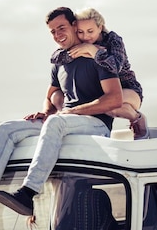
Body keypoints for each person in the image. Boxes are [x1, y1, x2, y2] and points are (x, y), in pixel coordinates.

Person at [0, 7, 123, 216]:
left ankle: (28, 193)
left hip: (95, 124)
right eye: (52, 31)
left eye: (61, 27)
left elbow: (115, 99)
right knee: (6, 129)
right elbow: (49, 95)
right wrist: (45, 111)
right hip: (65, 121)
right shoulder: (59, 62)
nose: (57, 34)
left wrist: (74, 112)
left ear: (74, 25)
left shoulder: (99, 56)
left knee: (55, 122)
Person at [49, 7, 148, 139]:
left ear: (100, 27)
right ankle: (66, 115)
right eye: (80, 32)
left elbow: (115, 66)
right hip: (103, 90)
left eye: (90, 31)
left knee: (110, 107)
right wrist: (84, 51)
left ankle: (137, 118)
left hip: (127, 88)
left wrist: (94, 51)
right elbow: (55, 58)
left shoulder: (113, 40)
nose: (86, 37)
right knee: (94, 103)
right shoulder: (81, 45)